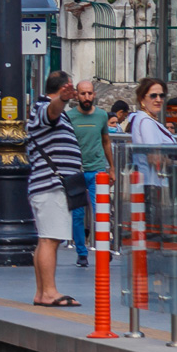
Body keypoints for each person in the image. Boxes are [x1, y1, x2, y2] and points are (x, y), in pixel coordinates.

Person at [26, 70, 84, 307]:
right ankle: (49, 291)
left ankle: (42, 292)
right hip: (51, 185)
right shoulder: (43, 108)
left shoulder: (46, 110)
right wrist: (62, 99)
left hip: (49, 184)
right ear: (64, 87)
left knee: (46, 239)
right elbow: (52, 111)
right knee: (50, 239)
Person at [67, 79, 113, 268]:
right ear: (76, 95)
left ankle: (104, 248)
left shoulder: (102, 115)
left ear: (94, 94)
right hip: (75, 170)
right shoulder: (69, 116)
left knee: (101, 212)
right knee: (77, 215)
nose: (86, 97)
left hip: (97, 170)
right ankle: (81, 252)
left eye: (89, 93)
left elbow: (106, 141)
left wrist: (112, 168)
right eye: (83, 93)